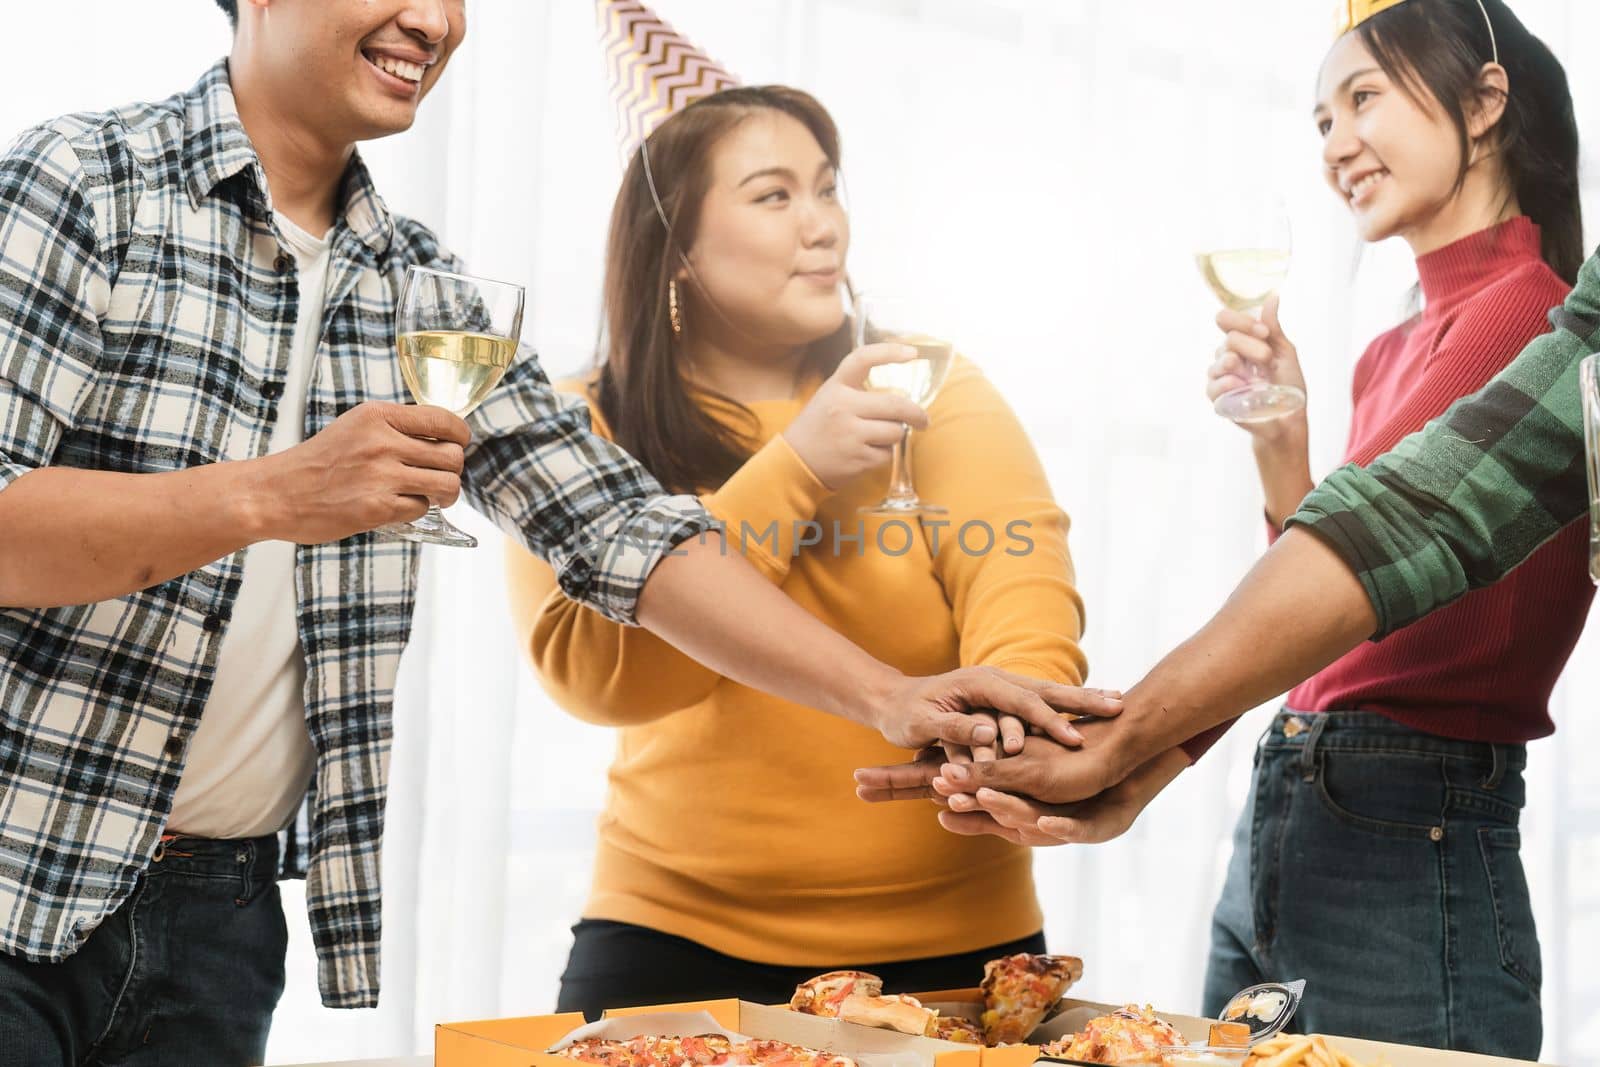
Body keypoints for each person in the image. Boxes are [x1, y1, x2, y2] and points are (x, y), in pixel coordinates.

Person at [0, 2, 1110, 1062]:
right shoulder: (85, 186)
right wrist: (270, 495)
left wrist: (892, 696)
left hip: (219, 915)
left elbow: (619, 535)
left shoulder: (424, 286)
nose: (433, 21)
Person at [857, 1, 1591, 1055]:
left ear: (1484, 102)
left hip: (1406, 809)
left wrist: (1135, 745)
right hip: (1300, 790)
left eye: (1362, 98)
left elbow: (1368, 604)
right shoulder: (1393, 345)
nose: (1336, 141)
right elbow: (1332, 601)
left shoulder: (1525, 312)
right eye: (1319, 121)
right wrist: (1281, 444)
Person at [505, 84, 1089, 1017]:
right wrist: (796, 466)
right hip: (671, 938)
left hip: (959, 945)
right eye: (775, 196)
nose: (823, 226)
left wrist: (1005, 736)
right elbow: (605, 679)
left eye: (827, 189)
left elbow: (1026, 602)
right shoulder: (583, 422)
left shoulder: (928, 385)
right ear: (679, 251)